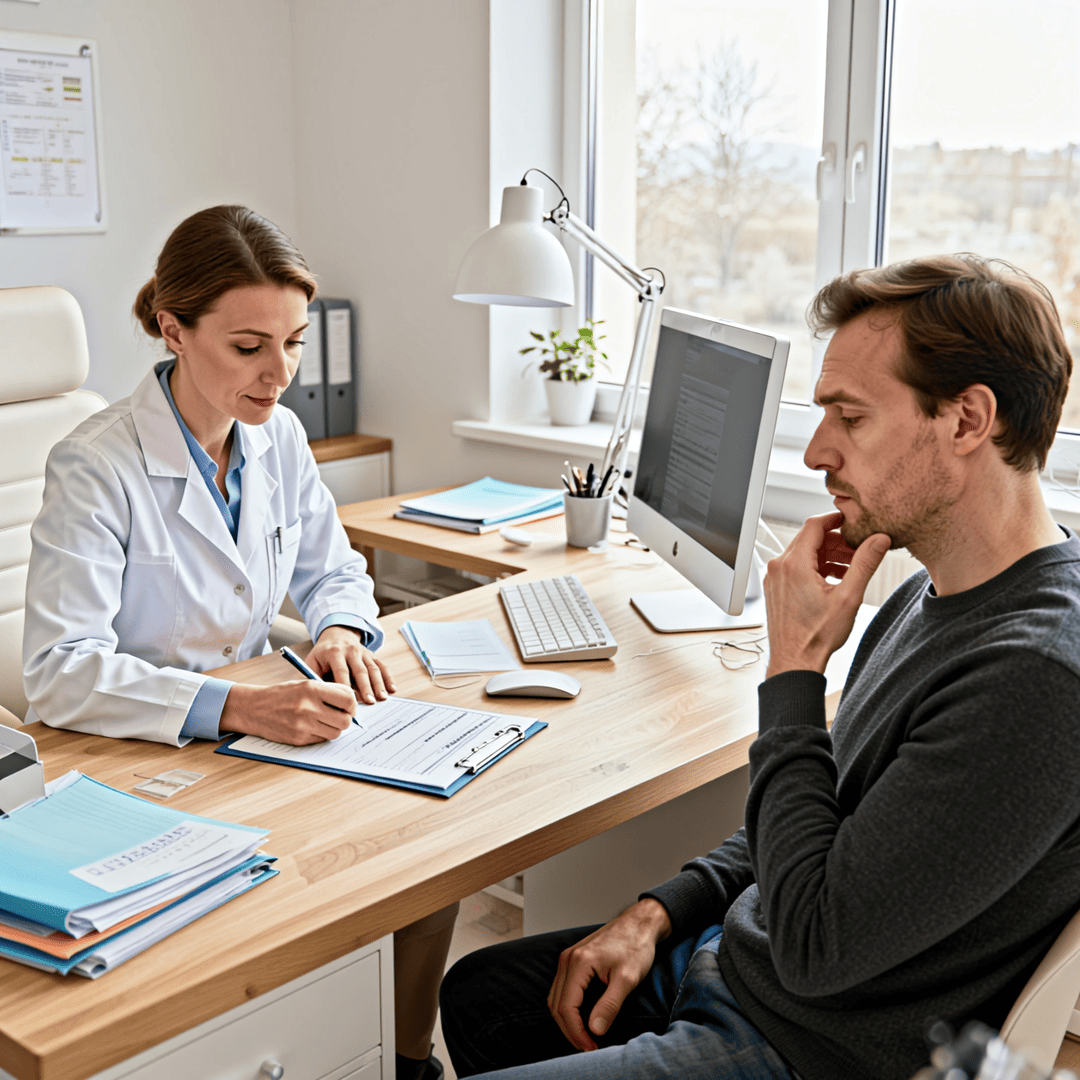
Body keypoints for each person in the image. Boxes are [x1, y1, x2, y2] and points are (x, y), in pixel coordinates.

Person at [438, 253, 1080, 1080]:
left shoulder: (1034, 678)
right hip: (737, 964)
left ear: (966, 421)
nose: (816, 452)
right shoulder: (930, 591)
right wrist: (663, 909)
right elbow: (820, 811)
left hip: (805, 1043)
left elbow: (815, 946)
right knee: (484, 990)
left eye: (849, 418)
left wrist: (793, 675)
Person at [22, 205, 451, 1080]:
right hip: (140, 754)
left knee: (424, 856)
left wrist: (337, 628)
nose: (281, 374)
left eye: (293, 342)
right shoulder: (94, 464)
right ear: (173, 329)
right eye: (249, 347)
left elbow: (333, 569)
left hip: (264, 738)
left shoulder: (278, 435)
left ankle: (402, 1057)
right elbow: (59, 673)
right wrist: (237, 704)